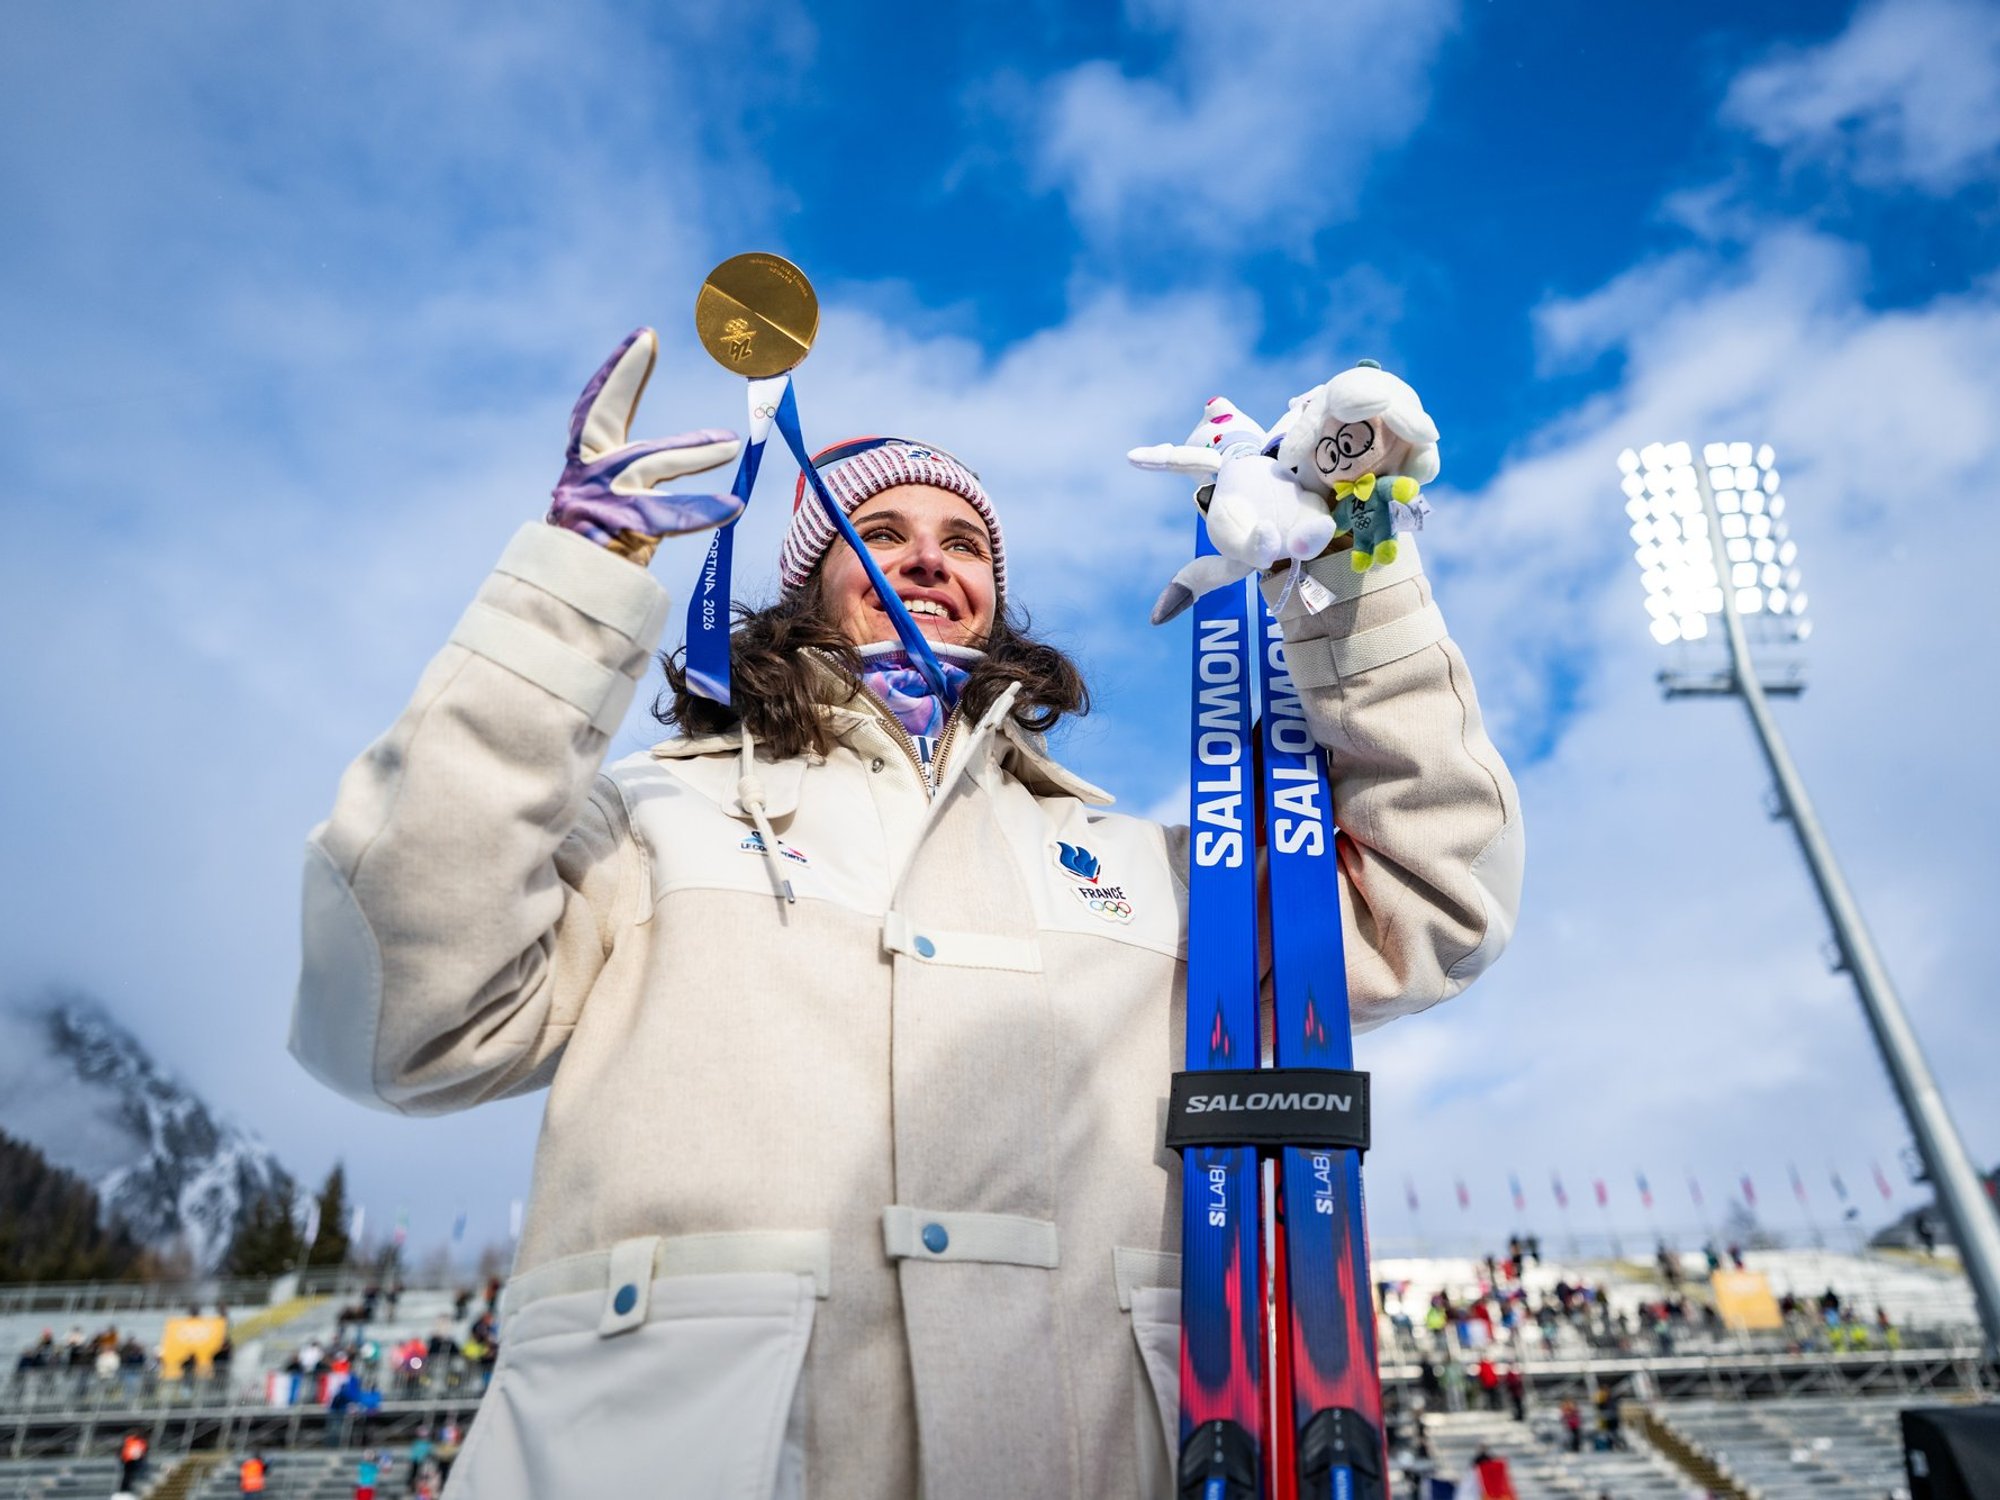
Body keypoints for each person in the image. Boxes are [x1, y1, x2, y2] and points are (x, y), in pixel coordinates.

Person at [291, 329, 1522, 1498]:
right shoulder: (649, 827)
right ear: (804, 587)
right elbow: (406, 1019)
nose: (927, 557)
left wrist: (1352, 573)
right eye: (878, 533)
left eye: (962, 541)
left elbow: (1429, 900)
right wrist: (565, 598)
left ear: (993, 593)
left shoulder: (1140, 866)